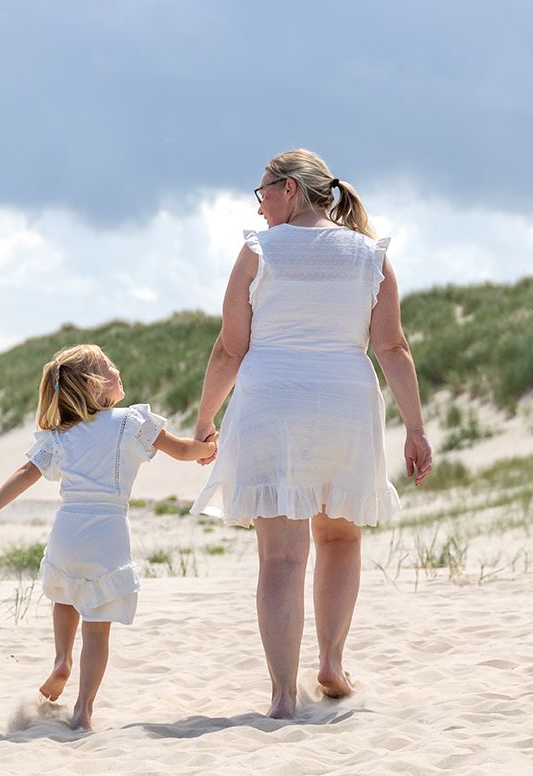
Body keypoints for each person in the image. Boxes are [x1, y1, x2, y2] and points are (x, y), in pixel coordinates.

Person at [191, 149, 432, 719]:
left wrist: (205, 420)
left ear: (291, 190)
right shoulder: (370, 256)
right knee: (340, 539)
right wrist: (416, 429)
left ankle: (281, 694)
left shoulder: (258, 250)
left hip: (273, 404)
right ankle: (330, 661)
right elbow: (393, 348)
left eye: (263, 192)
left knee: (281, 558)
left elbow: (231, 348)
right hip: (345, 404)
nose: (259, 204)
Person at [0, 343, 216, 730]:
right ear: (96, 384)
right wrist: (208, 447)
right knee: (98, 624)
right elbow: (181, 450)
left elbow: (26, 473)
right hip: (108, 533)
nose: (119, 370)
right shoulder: (132, 422)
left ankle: (62, 660)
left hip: (67, 531)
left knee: (65, 597)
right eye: (111, 367)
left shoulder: (61, 435)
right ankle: (83, 710)